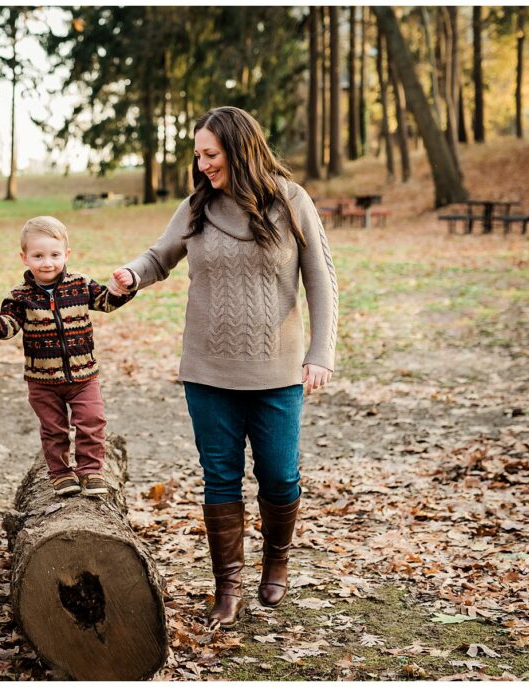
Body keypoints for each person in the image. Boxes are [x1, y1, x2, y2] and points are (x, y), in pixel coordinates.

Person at [107, 106, 338, 629]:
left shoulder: (290, 200)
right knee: (220, 478)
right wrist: (130, 275)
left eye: (210, 154)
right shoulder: (197, 206)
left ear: (239, 149)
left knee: (279, 476)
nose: (202, 163)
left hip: (277, 372)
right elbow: (158, 257)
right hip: (208, 370)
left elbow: (321, 279)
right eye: (198, 154)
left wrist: (320, 352)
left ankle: (276, 561)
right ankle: (227, 586)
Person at [0, 216, 136, 497]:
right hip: (43, 380)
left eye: (55, 255)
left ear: (66, 254)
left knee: (92, 421)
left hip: (83, 376)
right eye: (38, 256)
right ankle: (61, 474)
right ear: (24, 257)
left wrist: (121, 289)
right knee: (54, 430)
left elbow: (105, 302)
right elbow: (7, 328)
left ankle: (90, 471)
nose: (47, 263)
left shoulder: (80, 285)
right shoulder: (19, 296)